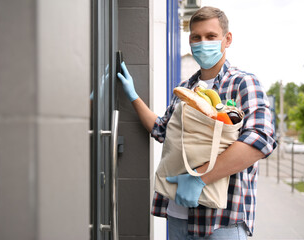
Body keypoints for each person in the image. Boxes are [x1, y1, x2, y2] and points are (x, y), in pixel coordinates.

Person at [117, 6, 277, 240]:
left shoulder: (244, 83)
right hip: (178, 216)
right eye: (196, 37)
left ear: (227, 39)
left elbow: (260, 141)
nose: (203, 43)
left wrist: (199, 179)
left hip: (222, 221)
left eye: (211, 36)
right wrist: (133, 96)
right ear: (189, 41)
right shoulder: (185, 90)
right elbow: (161, 129)